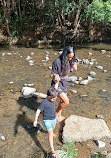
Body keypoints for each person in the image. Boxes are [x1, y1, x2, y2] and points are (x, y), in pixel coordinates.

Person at [33, 76, 60, 158]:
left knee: (53, 128)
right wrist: (35, 120)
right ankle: (52, 150)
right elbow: (38, 111)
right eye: (54, 99)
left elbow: (55, 88)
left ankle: (51, 133)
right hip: (47, 120)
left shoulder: (52, 94)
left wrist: (57, 82)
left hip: (53, 118)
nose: (55, 100)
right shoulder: (44, 102)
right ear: (49, 96)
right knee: (50, 133)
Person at [51, 46, 77, 122]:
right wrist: (55, 76)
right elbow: (52, 74)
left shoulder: (71, 60)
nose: (70, 59)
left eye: (71, 57)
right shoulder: (57, 61)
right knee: (66, 101)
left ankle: (58, 115)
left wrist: (74, 65)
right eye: (69, 57)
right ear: (65, 55)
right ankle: (55, 115)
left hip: (64, 82)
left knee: (62, 101)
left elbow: (74, 67)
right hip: (57, 83)